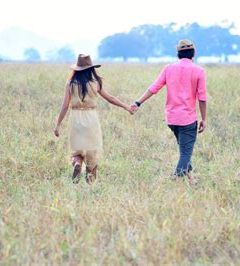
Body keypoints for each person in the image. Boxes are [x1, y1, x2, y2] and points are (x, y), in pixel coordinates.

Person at [131, 39, 207, 186]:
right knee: (185, 153)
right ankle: (175, 180)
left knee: (184, 150)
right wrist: (204, 119)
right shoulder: (199, 71)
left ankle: (192, 181)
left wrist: (138, 102)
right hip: (188, 120)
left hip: (171, 119)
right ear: (193, 54)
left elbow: (154, 88)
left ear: (178, 54)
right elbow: (202, 98)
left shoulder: (169, 68)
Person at [54, 54, 133, 184]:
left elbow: (64, 106)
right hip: (91, 118)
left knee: (76, 150)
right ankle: (90, 181)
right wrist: (126, 107)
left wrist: (57, 125)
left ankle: (77, 163)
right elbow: (110, 98)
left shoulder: (70, 83)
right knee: (92, 151)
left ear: (77, 69)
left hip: (75, 118)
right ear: (91, 69)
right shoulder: (96, 83)